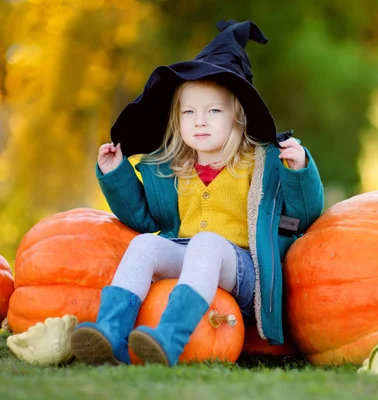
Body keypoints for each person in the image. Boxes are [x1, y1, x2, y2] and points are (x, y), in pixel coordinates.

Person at [70, 19, 324, 366]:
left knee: (207, 243)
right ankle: (111, 333)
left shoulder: (262, 162)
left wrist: (299, 171)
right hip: (188, 255)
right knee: (144, 244)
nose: (199, 121)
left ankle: (170, 337)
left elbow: (305, 213)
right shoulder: (171, 168)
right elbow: (143, 219)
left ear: (238, 117)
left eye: (213, 111)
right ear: (177, 119)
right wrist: (117, 175)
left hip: (246, 272)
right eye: (189, 112)